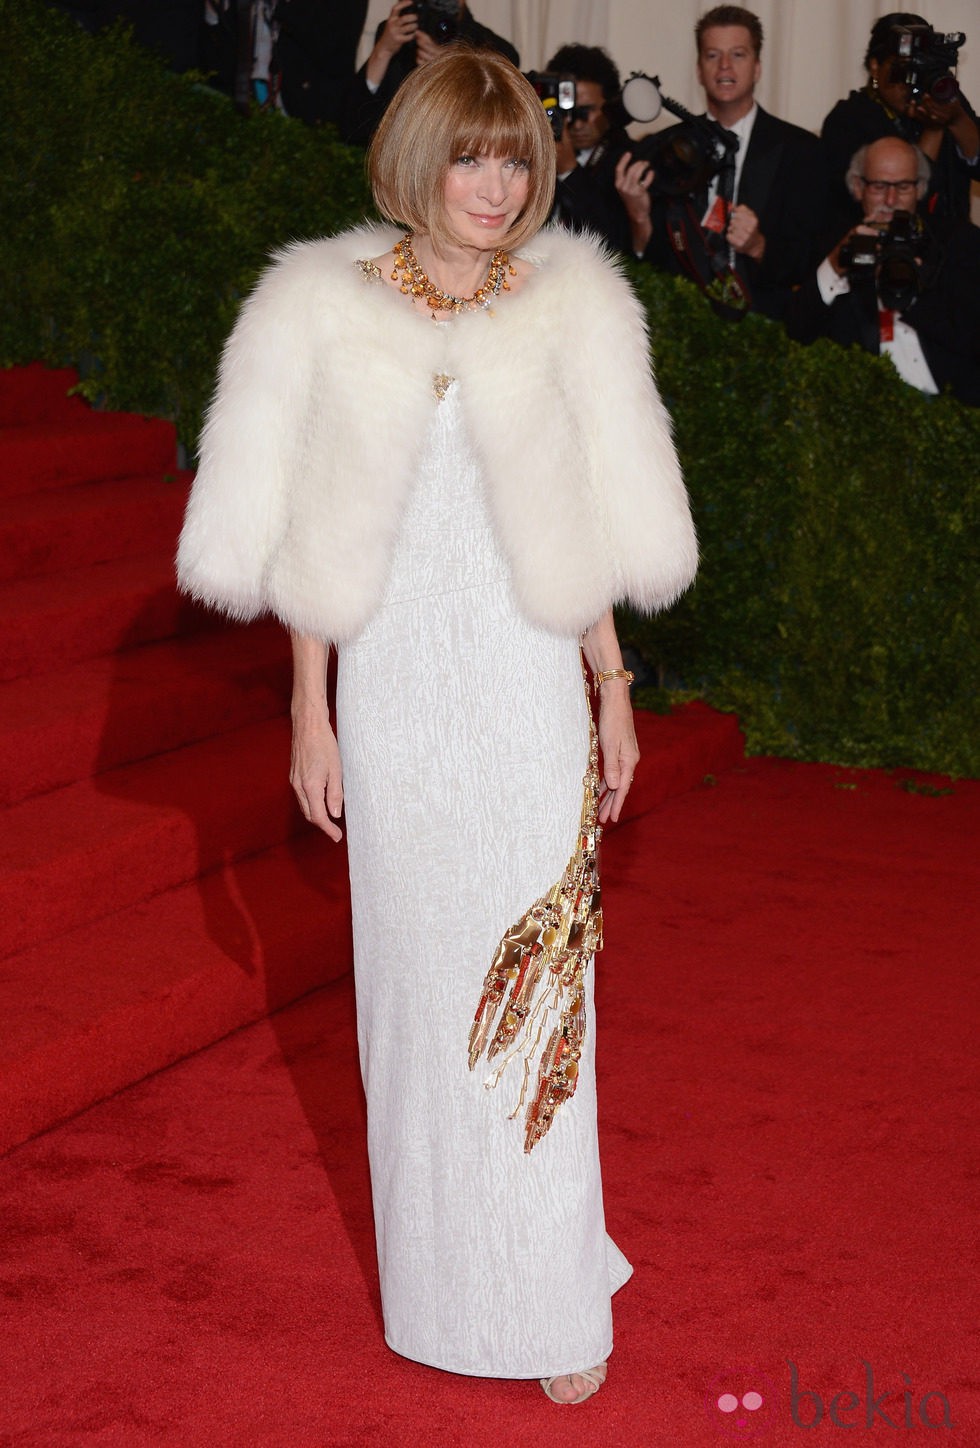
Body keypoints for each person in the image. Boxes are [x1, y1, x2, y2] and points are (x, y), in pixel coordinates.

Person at [177, 47, 696, 1406]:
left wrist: (613, 685)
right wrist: (312, 712)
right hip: (399, 692)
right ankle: (456, 1282)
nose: (496, 183)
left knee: (538, 994)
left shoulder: (568, 301)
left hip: (529, 686)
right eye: (470, 156)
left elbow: (586, 508)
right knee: (418, 1004)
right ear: (418, 159)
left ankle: (545, 1291)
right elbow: (298, 537)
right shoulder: (321, 309)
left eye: (517, 158)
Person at [614, 4, 827, 321]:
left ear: (757, 67)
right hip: (684, 330)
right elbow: (649, 270)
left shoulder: (801, 151)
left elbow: (811, 260)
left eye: (738, 55)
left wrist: (758, 246)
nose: (725, 67)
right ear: (699, 70)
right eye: (713, 56)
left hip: (769, 332)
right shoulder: (663, 150)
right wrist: (639, 218)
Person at [786, 136, 980, 406]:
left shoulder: (957, 242)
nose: (891, 200)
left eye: (903, 187)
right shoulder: (832, 244)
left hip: (953, 406)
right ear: (858, 188)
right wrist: (835, 266)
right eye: (879, 186)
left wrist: (915, 290)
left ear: (920, 189)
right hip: (870, 413)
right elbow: (797, 331)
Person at [820, 12, 979, 232]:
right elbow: (907, 198)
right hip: (880, 241)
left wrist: (957, 118)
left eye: (920, 69)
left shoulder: (945, 99)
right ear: (875, 67)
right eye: (903, 70)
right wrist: (934, 129)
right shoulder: (849, 118)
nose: (911, 81)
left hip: (953, 245)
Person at [340, 0, 518, 145]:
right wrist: (383, 51)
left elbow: (494, 132)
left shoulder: (495, 49)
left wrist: (456, 69)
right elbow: (354, 127)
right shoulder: (397, 37)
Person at [546, 44, 633, 251]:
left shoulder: (627, 160)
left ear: (610, 107)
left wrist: (568, 171)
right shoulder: (537, 153)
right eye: (569, 111)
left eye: (587, 111)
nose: (576, 124)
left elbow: (612, 242)